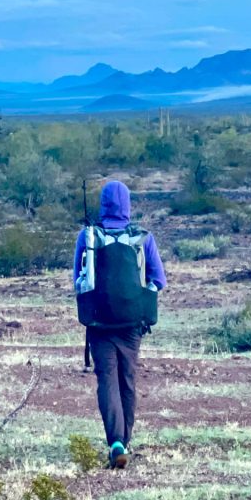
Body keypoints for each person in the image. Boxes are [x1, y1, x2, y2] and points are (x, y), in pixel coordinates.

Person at [73, 180, 166, 469]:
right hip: (131, 325)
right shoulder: (143, 238)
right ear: (128, 204)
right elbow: (159, 281)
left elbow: (78, 278)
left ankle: (115, 442)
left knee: (107, 380)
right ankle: (124, 442)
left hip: (99, 322)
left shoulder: (88, 236)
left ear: (102, 203)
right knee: (127, 379)